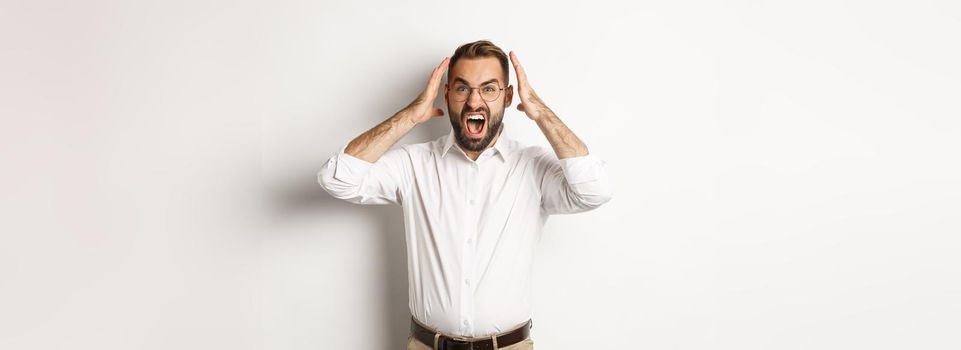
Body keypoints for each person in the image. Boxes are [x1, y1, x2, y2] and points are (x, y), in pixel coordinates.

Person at [317, 40, 613, 350]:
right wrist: (410, 116)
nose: (474, 102)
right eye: (462, 89)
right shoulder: (414, 164)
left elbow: (595, 191)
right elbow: (336, 178)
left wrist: (541, 113)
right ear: (446, 95)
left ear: (508, 97)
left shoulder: (534, 167)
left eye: (489, 89)